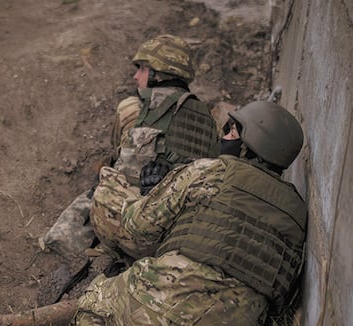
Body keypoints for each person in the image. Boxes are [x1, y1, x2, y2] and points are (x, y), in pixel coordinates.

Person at [49, 100, 308, 326]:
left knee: (94, 303)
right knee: (192, 317)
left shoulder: (210, 171)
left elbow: (138, 225)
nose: (225, 135)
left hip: (165, 310)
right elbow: (282, 292)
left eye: (233, 130)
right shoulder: (297, 212)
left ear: (250, 145)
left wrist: (129, 189)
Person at [39, 35, 220, 304]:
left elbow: (124, 173)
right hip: (186, 237)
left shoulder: (146, 110)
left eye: (143, 69)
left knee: (105, 185)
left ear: (159, 73)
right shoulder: (206, 117)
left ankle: (76, 253)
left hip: (147, 232)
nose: (136, 76)